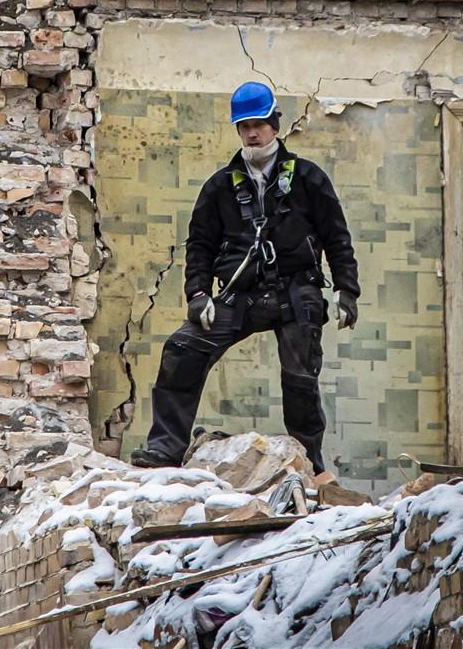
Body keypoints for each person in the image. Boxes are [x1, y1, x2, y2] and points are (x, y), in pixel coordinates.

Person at [130, 81, 360, 473]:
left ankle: (308, 466)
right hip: (240, 294)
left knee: (300, 381)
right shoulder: (220, 186)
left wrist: (346, 289)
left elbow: (336, 236)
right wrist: (198, 294)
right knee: (182, 350)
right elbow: (200, 244)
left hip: (297, 293)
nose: (252, 133)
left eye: (258, 124)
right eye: (244, 126)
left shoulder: (308, 178)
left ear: (274, 124)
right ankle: (165, 448)